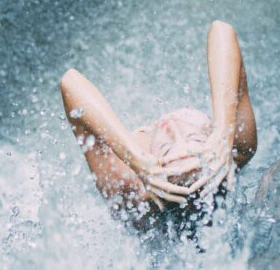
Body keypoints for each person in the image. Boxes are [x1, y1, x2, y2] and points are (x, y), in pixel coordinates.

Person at [59, 20, 257, 222]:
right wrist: (224, 130)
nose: (171, 126)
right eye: (193, 139)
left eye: (166, 148)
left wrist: (134, 159)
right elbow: (221, 30)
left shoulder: (130, 190)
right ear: (214, 144)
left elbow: (70, 81)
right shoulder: (235, 149)